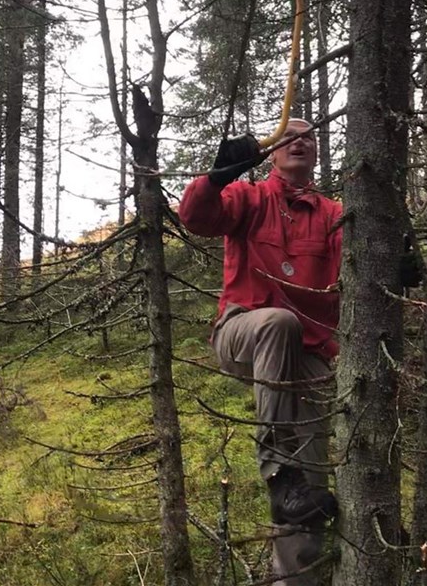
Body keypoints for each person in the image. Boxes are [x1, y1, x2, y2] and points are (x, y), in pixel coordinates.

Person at [179, 118, 341, 586]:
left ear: (316, 152)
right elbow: (196, 217)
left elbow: (360, 266)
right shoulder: (250, 198)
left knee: (313, 472)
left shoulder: (333, 214)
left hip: (308, 353)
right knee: (278, 321)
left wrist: (396, 262)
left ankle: (297, 577)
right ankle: (277, 470)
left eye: (309, 136)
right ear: (272, 152)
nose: (299, 142)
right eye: (288, 136)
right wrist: (217, 177)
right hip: (242, 331)